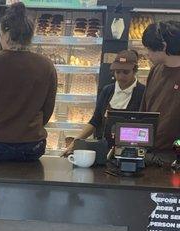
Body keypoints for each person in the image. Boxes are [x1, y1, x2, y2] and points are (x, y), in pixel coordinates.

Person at [0, 2, 57, 161]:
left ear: (6, 34)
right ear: (30, 36)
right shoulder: (46, 65)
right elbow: (48, 108)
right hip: (33, 146)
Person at [63, 50, 145, 156]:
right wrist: (75, 144)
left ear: (134, 71)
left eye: (125, 72)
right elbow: (95, 121)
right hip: (104, 150)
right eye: (117, 72)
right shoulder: (107, 91)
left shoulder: (142, 93)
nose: (120, 76)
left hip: (131, 152)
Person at [140, 21, 180, 151]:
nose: (147, 53)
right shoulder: (155, 70)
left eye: (149, 48)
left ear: (163, 46)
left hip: (174, 156)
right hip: (148, 151)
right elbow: (144, 110)